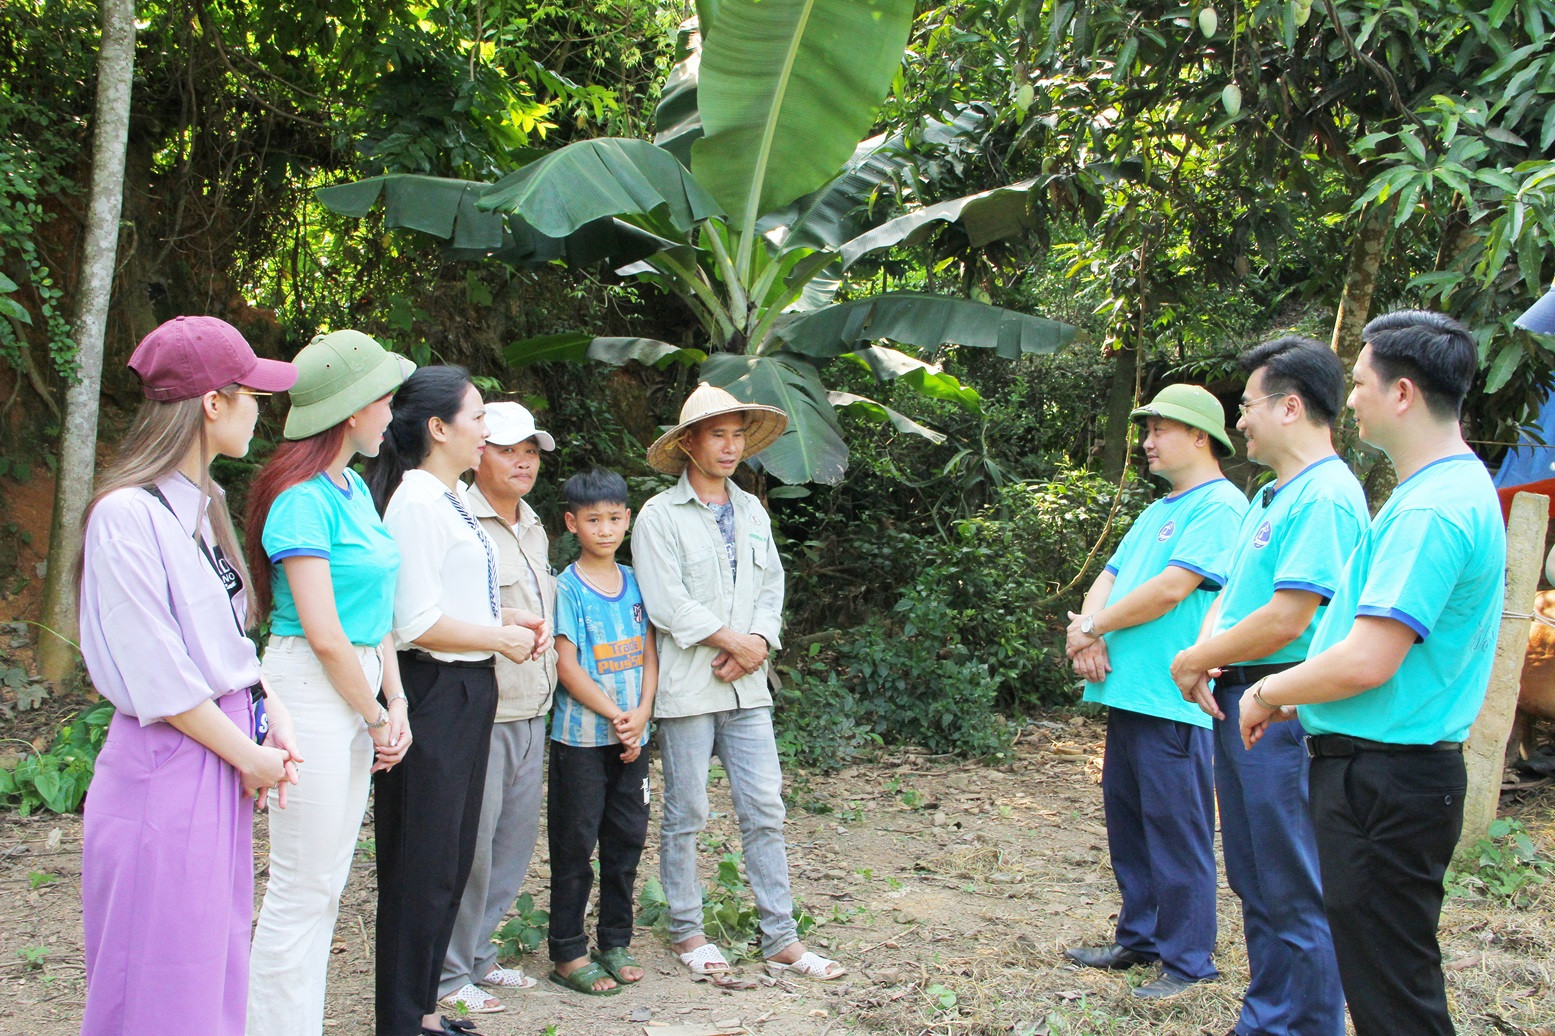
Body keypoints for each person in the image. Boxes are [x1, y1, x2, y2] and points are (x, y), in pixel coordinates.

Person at [1239, 311, 1504, 1036]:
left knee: (1393, 998)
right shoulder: (1444, 491)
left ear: (1402, 393)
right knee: (1387, 980)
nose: (1348, 398)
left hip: (1384, 785)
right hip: (1383, 773)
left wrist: (1268, 689)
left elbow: (1367, 658)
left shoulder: (1432, 510)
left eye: (1358, 383)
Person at [77, 315, 301, 1036]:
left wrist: (270, 716)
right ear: (213, 402)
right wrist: (252, 755)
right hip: (169, 762)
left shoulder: (201, 507)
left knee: (209, 964)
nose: (261, 408)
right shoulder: (125, 516)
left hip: (218, 756)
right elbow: (161, 677)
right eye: (251, 393)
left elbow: (226, 643)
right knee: (157, 971)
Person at [1168, 339, 1365, 1036]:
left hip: (1282, 711)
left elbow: (1288, 618)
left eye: (1246, 407)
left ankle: (1303, 1023)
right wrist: (1209, 652)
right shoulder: (1274, 496)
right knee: (1256, 878)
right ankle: (1269, 1017)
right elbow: (1240, 601)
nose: (1240, 423)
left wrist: (1193, 660)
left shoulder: (1326, 496)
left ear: (1289, 407)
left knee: (1289, 883)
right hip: (1245, 701)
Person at [632, 382, 843, 981]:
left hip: (748, 688)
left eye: (737, 435)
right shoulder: (658, 515)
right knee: (687, 811)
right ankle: (688, 931)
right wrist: (733, 641)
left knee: (764, 807)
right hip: (689, 688)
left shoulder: (751, 509)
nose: (730, 447)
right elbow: (665, 601)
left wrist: (758, 645)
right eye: (717, 435)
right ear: (689, 443)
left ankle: (780, 936)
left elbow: (771, 587)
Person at [365, 366, 547, 1036]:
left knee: (448, 858)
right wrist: (500, 636)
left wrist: (503, 620)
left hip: (470, 687)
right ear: (438, 428)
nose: (485, 433)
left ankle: (421, 1008)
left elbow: (450, 598)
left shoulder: (446, 500)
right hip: (435, 689)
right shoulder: (416, 500)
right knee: (422, 859)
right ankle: (401, 1018)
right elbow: (415, 623)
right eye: (477, 419)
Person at [244, 329, 416, 1036]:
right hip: (312, 691)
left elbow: (374, 614)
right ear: (353, 409)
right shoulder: (300, 500)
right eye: (385, 400)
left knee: (326, 884)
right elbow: (322, 633)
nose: (391, 415)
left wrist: (394, 699)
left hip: (357, 689)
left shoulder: (351, 489)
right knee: (300, 885)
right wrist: (375, 715)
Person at [1063, 383, 1248, 999]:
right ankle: (1140, 939)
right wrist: (1088, 633)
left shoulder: (1220, 506)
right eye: (1146, 430)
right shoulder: (1157, 510)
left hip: (1175, 700)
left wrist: (1094, 627)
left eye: (1159, 429)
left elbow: (1172, 589)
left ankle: (1190, 961)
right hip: (1129, 694)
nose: (1146, 441)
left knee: (1178, 831)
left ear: (1200, 436)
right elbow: (1109, 579)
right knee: (1131, 826)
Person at [438, 403, 559, 1014]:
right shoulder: (456, 517)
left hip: (533, 708)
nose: (524, 461)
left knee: (512, 845)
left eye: (532, 451)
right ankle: (450, 973)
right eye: (510, 449)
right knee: (472, 848)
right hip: (481, 711)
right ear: (478, 448)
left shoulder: (533, 524)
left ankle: (481, 957)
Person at [547, 468, 658, 995]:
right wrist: (617, 715)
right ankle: (567, 951)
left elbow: (651, 653)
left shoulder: (639, 581)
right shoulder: (565, 588)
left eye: (615, 518)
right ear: (572, 523)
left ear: (628, 520)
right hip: (581, 742)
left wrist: (641, 711)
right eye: (593, 520)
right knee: (574, 845)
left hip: (634, 736)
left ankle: (615, 940)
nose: (605, 529)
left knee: (626, 841)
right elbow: (566, 666)